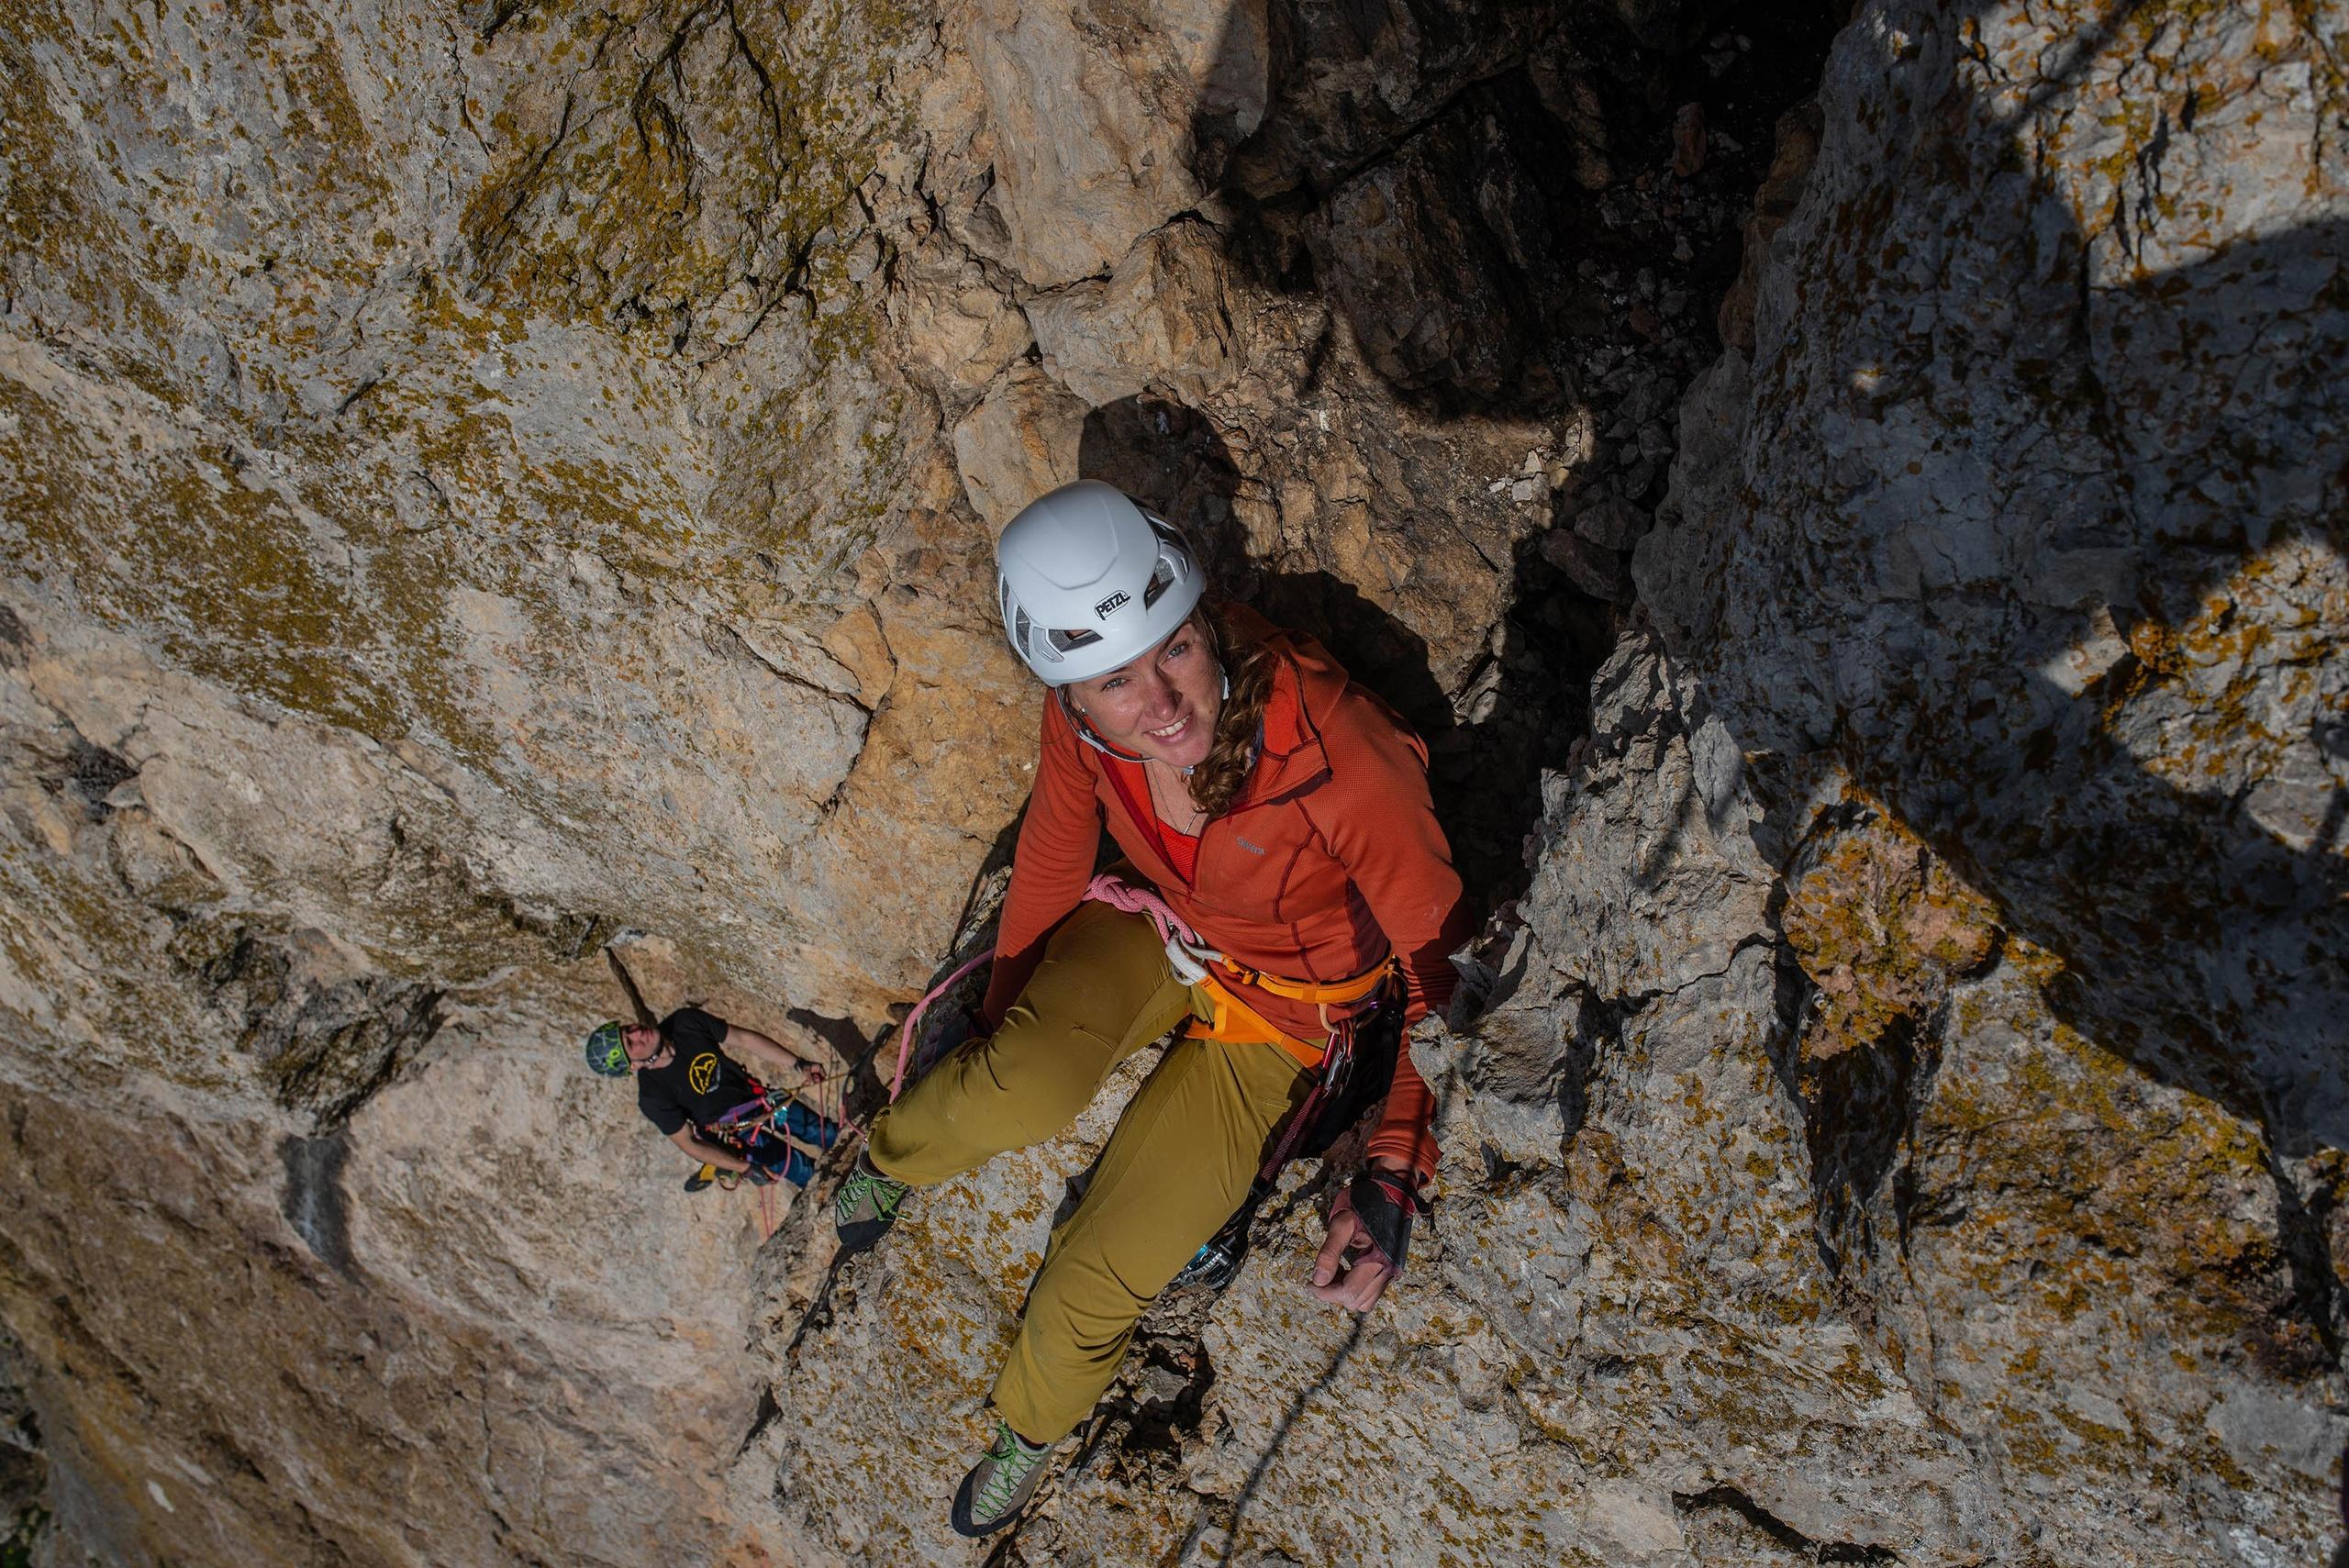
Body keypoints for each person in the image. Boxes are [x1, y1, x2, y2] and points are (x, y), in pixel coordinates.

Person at [832, 479, 1468, 1537]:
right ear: (1073, 689)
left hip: (1284, 1020)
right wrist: (1000, 1010)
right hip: (1163, 931)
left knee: (1105, 1268)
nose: (1161, 703)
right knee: (1013, 1086)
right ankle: (890, 1158)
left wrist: (1395, 1161)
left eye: (1174, 648)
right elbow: (1052, 844)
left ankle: (1028, 1428)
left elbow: (1439, 974)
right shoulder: (1079, 715)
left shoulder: (1337, 753)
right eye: (1115, 680)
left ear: (1202, 614)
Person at [584, 1006, 838, 1188]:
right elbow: (689, 1144)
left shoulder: (684, 1023)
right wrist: (745, 1169)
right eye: (631, 1043)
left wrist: (799, 1064)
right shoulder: (653, 1097)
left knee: (824, 1131)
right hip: (737, 1133)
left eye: (628, 1029)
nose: (638, 1033)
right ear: (634, 1066)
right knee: (803, 1170)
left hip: (760, 1099)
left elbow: (745, 1039)